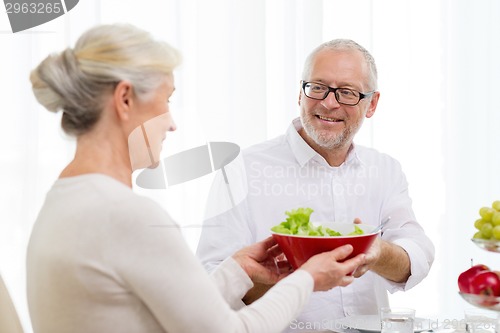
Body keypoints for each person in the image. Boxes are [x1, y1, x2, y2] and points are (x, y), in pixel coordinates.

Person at [26, 24, 367, 333]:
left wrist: (238, 271)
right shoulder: (125, 215)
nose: (172, 123)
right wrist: (308, 278)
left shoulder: (66, 198)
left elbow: (182, 315)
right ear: (125, 99)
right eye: (166, 100)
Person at [196, 39, 435, 329]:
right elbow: (213, 284)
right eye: (318, 87)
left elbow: (417, 256)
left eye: (347, 92)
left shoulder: (385, 169)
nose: (329, 103)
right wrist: (293, 279)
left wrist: (376, 252)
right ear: (300, 92)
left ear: (372, 104)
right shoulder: (240, 171)